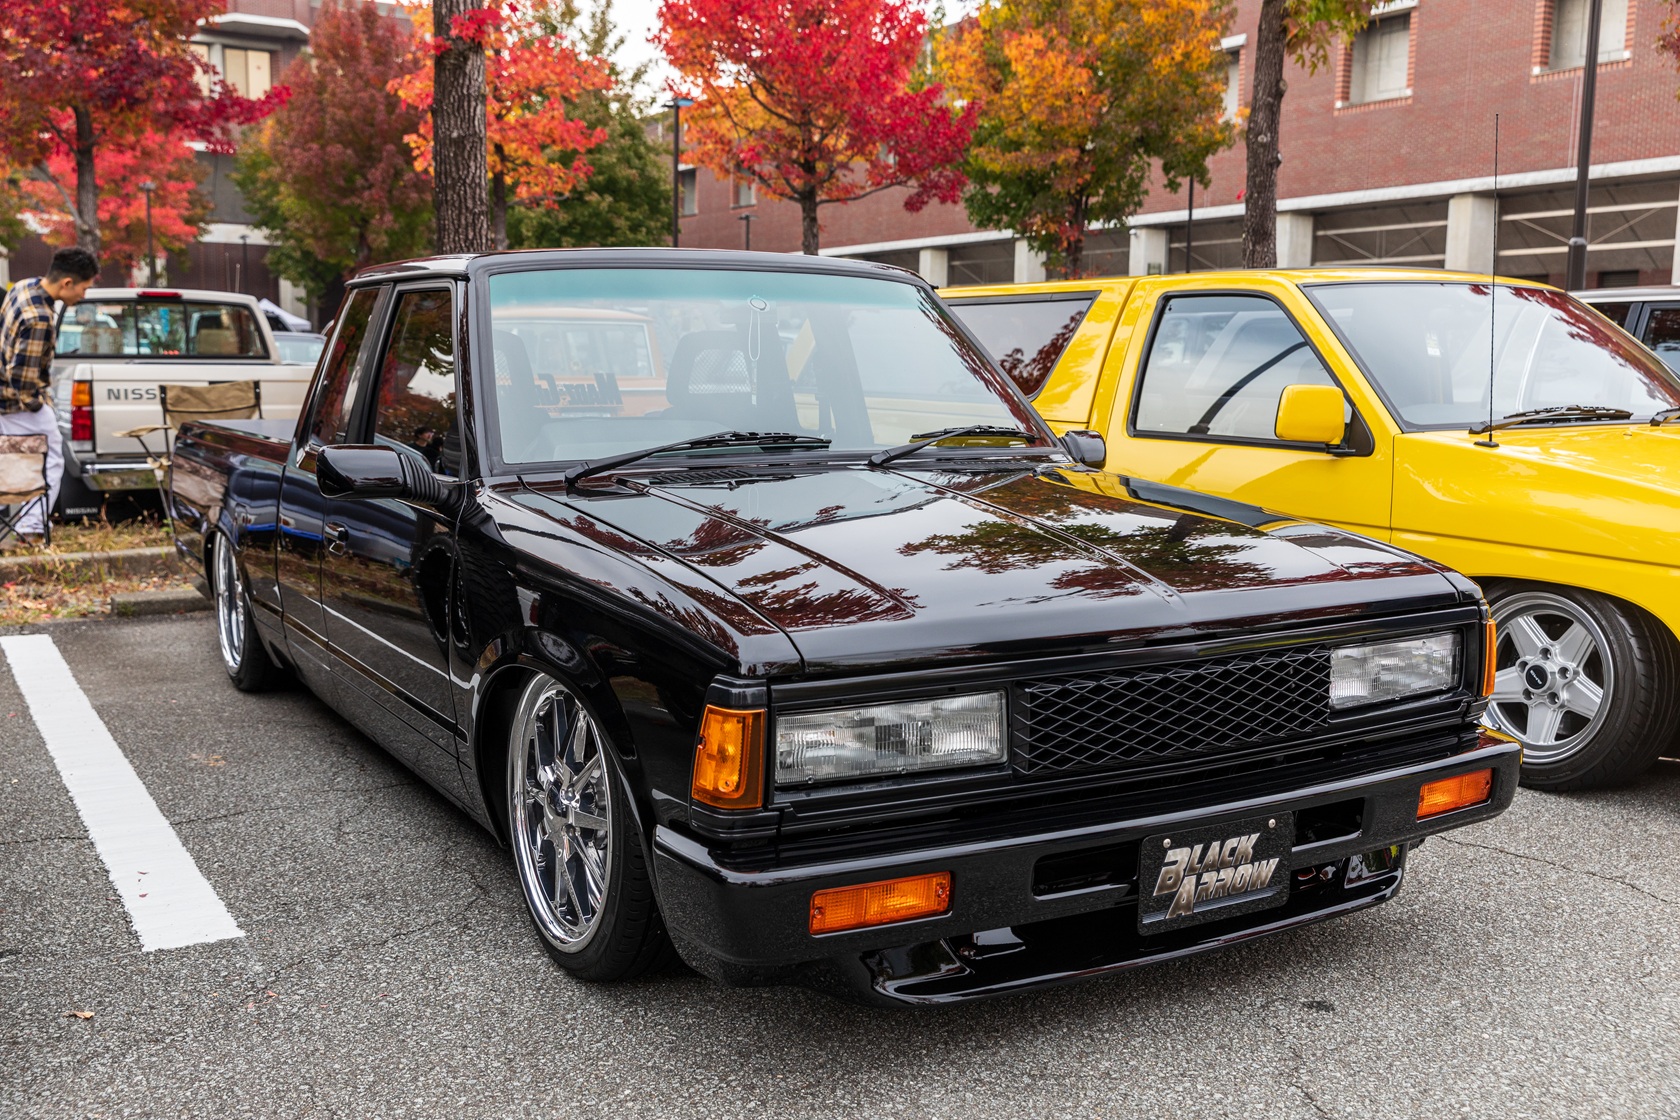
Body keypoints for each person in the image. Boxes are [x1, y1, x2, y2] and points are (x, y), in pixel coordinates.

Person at [0, 247, 99, 543]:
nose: (83, 295)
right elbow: (22, 379)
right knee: (50, 458)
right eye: (84, 288)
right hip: (15, 401)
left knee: (14, 456)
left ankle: (22, 520)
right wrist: (40, 405)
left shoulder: (22, 287)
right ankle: (31, 528)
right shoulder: (39, 319)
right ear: (67, 283)